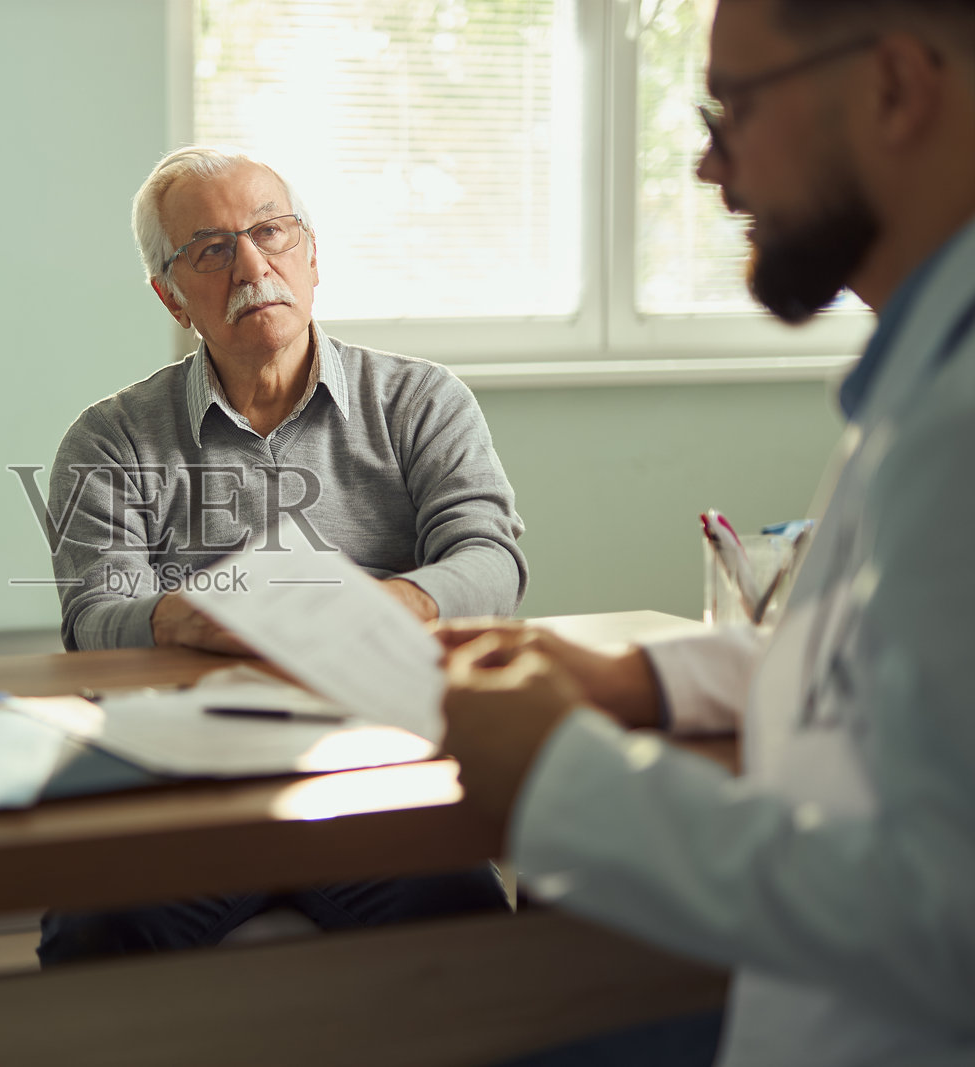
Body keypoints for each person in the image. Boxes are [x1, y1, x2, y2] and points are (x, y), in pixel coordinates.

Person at [439, 2, 975, 1064]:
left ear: (895, 88)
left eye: (734, 108)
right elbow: (885, 664)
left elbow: (952, 925)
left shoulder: (958, 428)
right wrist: (639, 679)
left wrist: (562, 775)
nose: (703, 169)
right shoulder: (925, 382)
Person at [36, 146, 524, 965]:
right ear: (170, 295)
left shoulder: (420, 400)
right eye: (212, 250)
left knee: (469, 935)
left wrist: (392, 604)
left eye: (272, 232)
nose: (253, 266)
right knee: (94, 939)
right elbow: (93, 613)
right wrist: (172, 616)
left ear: (313, 256)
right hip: (186, 787)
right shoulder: (111, 436)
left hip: (373, 771)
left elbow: (491, 558)